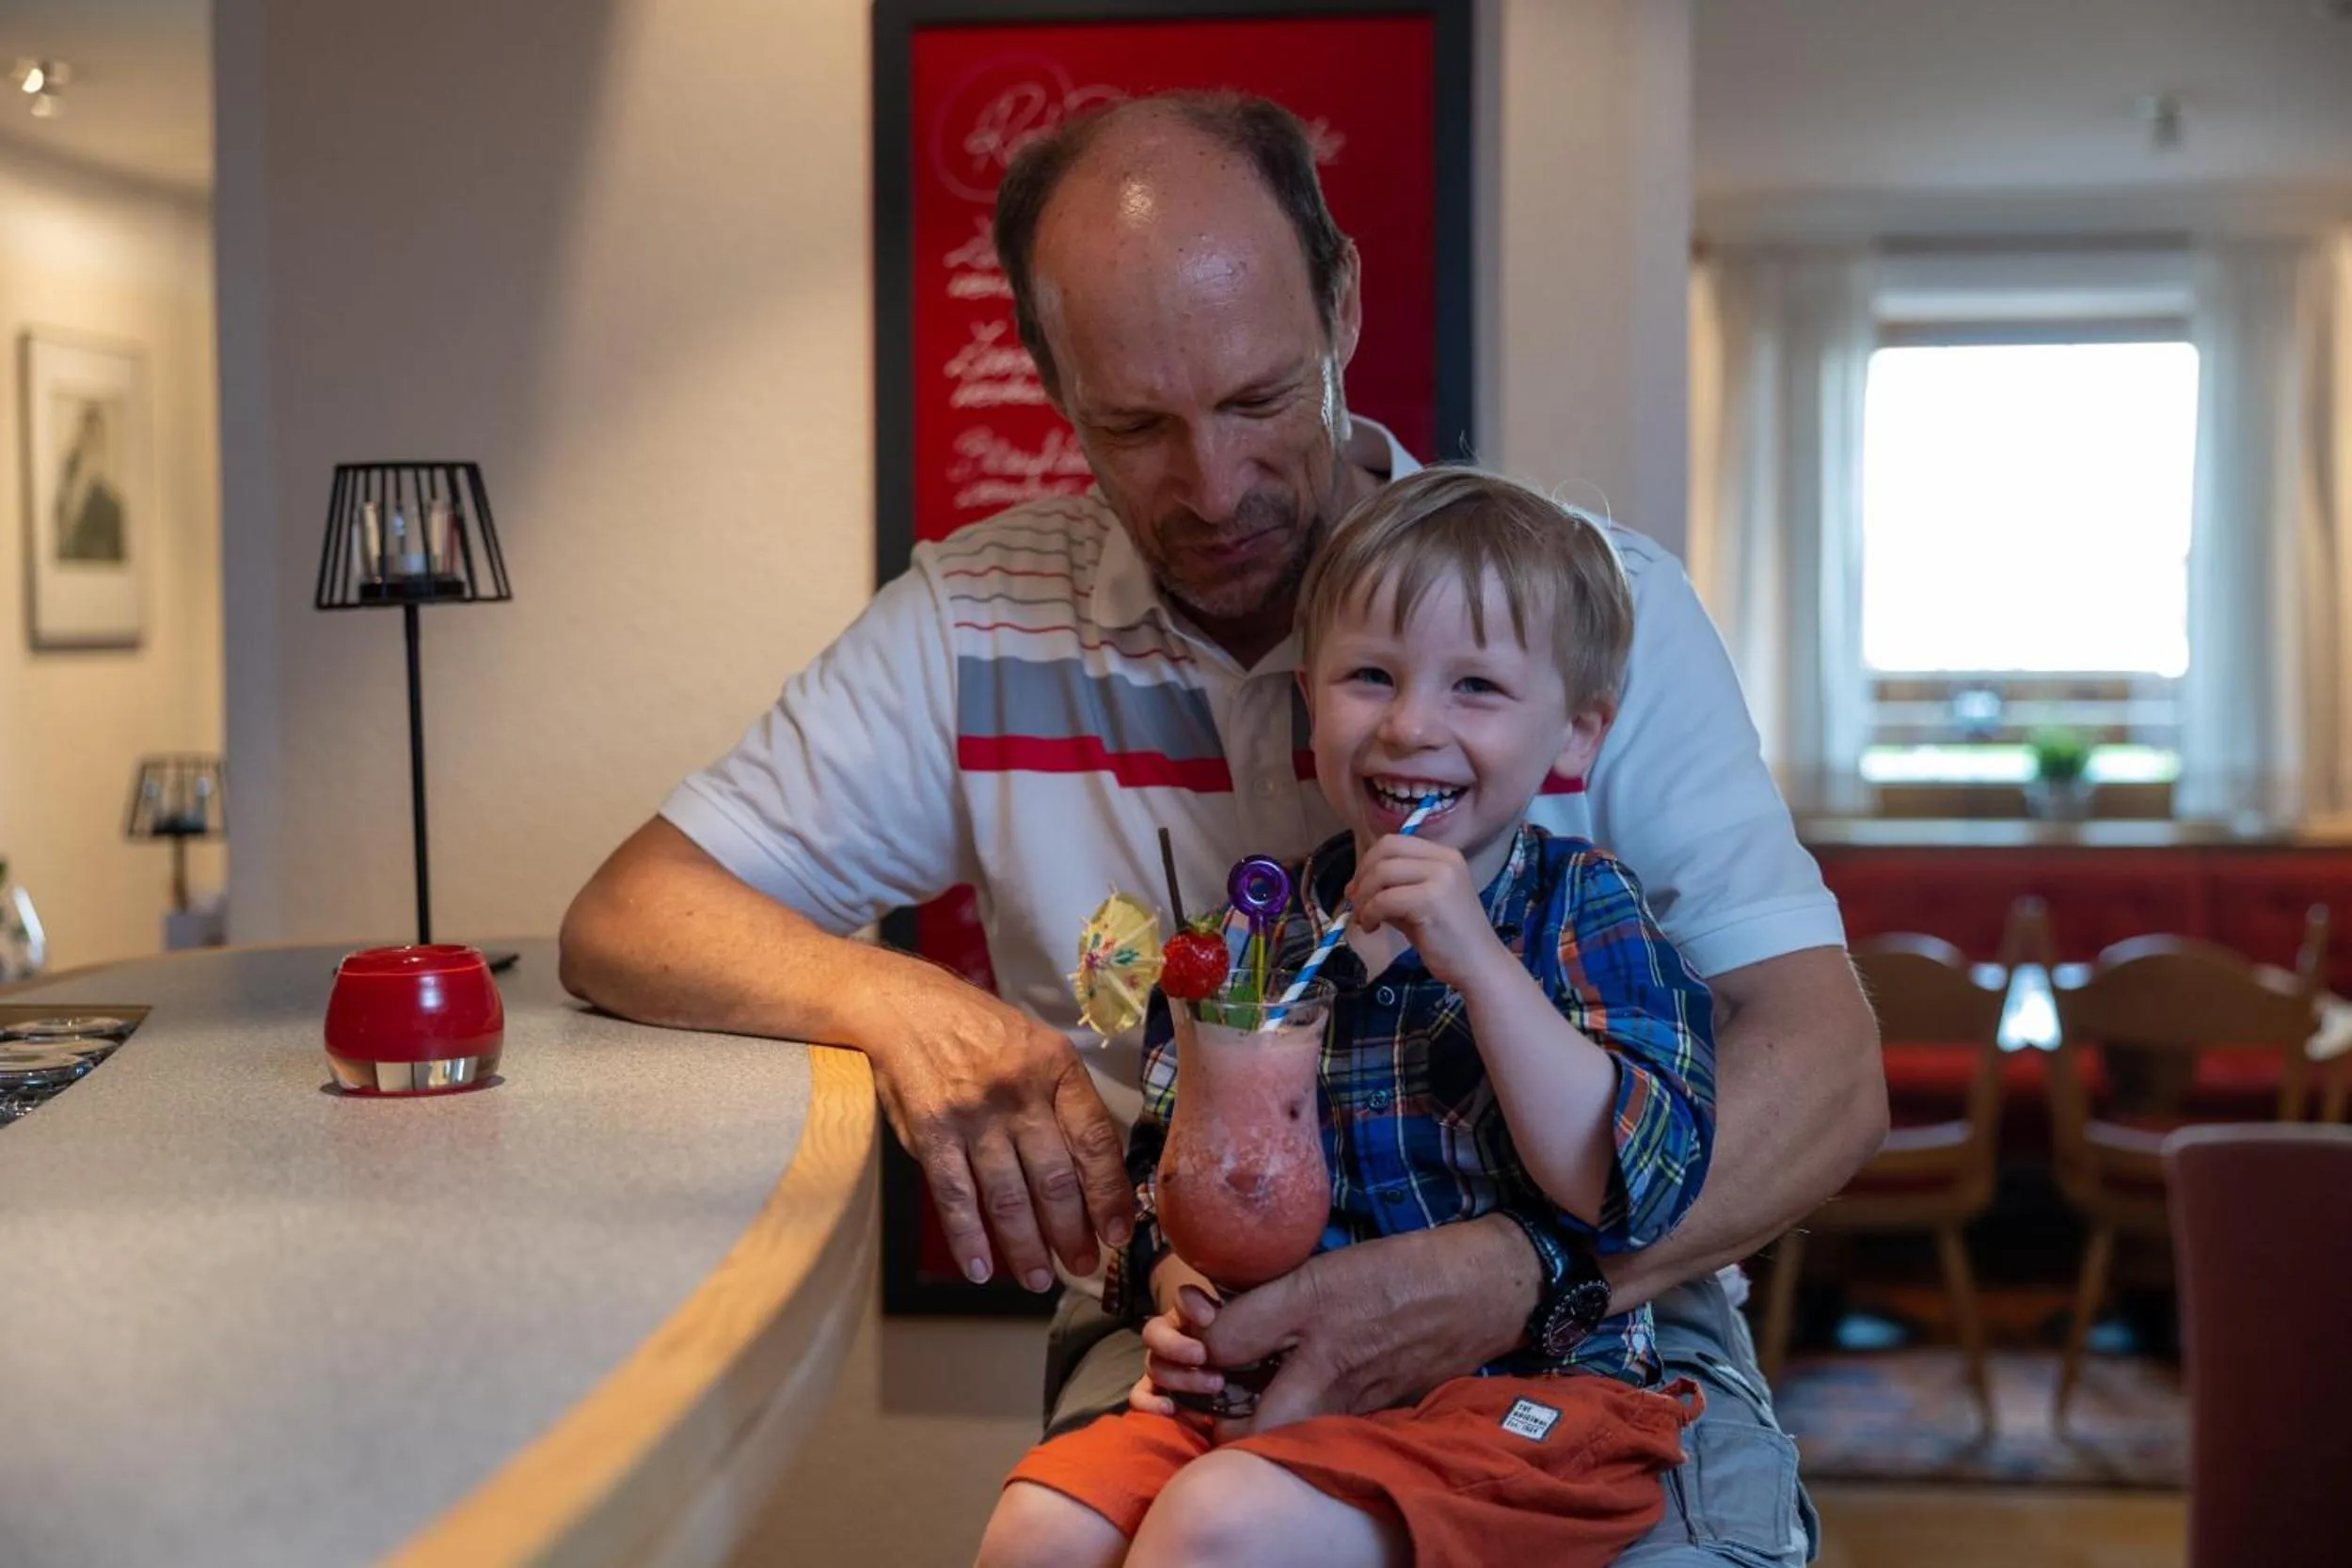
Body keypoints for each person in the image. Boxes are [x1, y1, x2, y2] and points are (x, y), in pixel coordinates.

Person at [560, 90, 1883, 1565]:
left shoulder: (1577, 622)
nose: (1214, 484)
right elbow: (631, 912)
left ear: (1343, 309)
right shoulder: (975, 621)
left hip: (1597, 1312)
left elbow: (1828, 1073)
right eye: (1135, 424)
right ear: (1054, 391)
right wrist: (898, 1000)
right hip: (1195, 1311)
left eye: (1260, 399)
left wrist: (1516, 1266)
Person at [982, 467, 1718, 1568]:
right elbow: (1160, 1177)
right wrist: (1183, 1293)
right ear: (1311, 704)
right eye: (1370, 675)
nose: (1411, 725)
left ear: (1573, 734)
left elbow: (1631, 1183)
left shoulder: (1581, 904)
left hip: (1524, 1398)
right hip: (1271, 1383)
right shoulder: (1249, 934)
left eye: (1475, 687)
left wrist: (1476, 961)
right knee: (1038, 1529)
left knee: (1221, 1519)